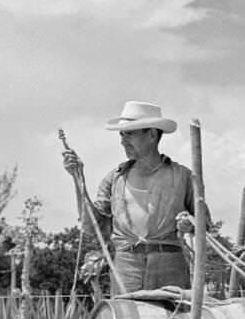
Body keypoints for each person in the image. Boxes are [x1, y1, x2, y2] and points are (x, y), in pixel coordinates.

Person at [62, 100, 198, 294]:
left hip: (169, 267)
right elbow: (91, 226)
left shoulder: (183, 176)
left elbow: (204, 224)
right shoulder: (115, 179)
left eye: (130, 134)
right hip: (126, 268)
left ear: (151, 135)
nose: (123, 141)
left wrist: (190, 223)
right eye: (122, 134)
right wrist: (78, 179)